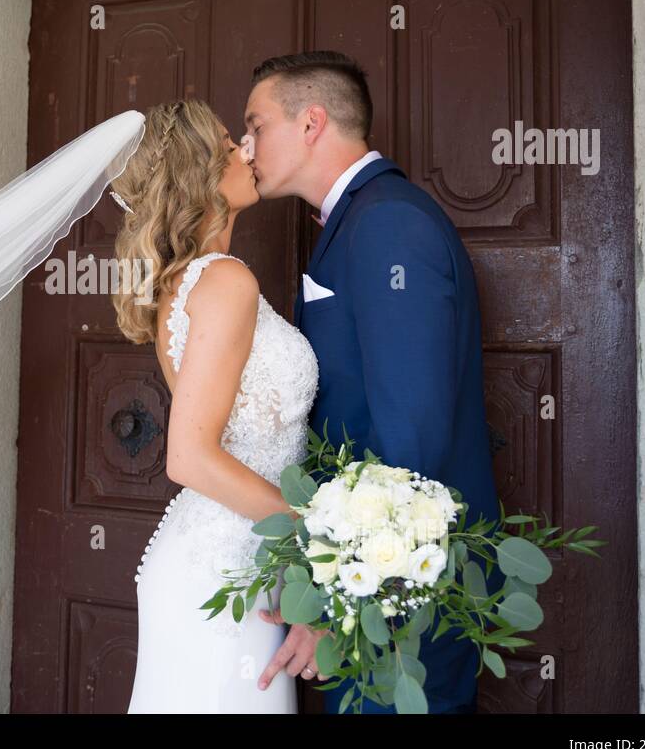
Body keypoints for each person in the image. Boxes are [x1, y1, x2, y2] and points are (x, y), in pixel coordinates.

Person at [242, 50, 501, 714]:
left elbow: (412, 434)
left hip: (404, 588)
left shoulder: (387, 223)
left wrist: (342, 594)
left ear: (311, 123)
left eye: (256, 125)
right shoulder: (359, 220)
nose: (246, 146)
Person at [112, 98, 319, 713]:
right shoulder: (225, 280)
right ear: (199, 172)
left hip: (229, 561)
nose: (246, 152)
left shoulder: (186, 281)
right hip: (224, 576)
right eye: (231, 144)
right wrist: (315, 536)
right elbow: (190, 457)